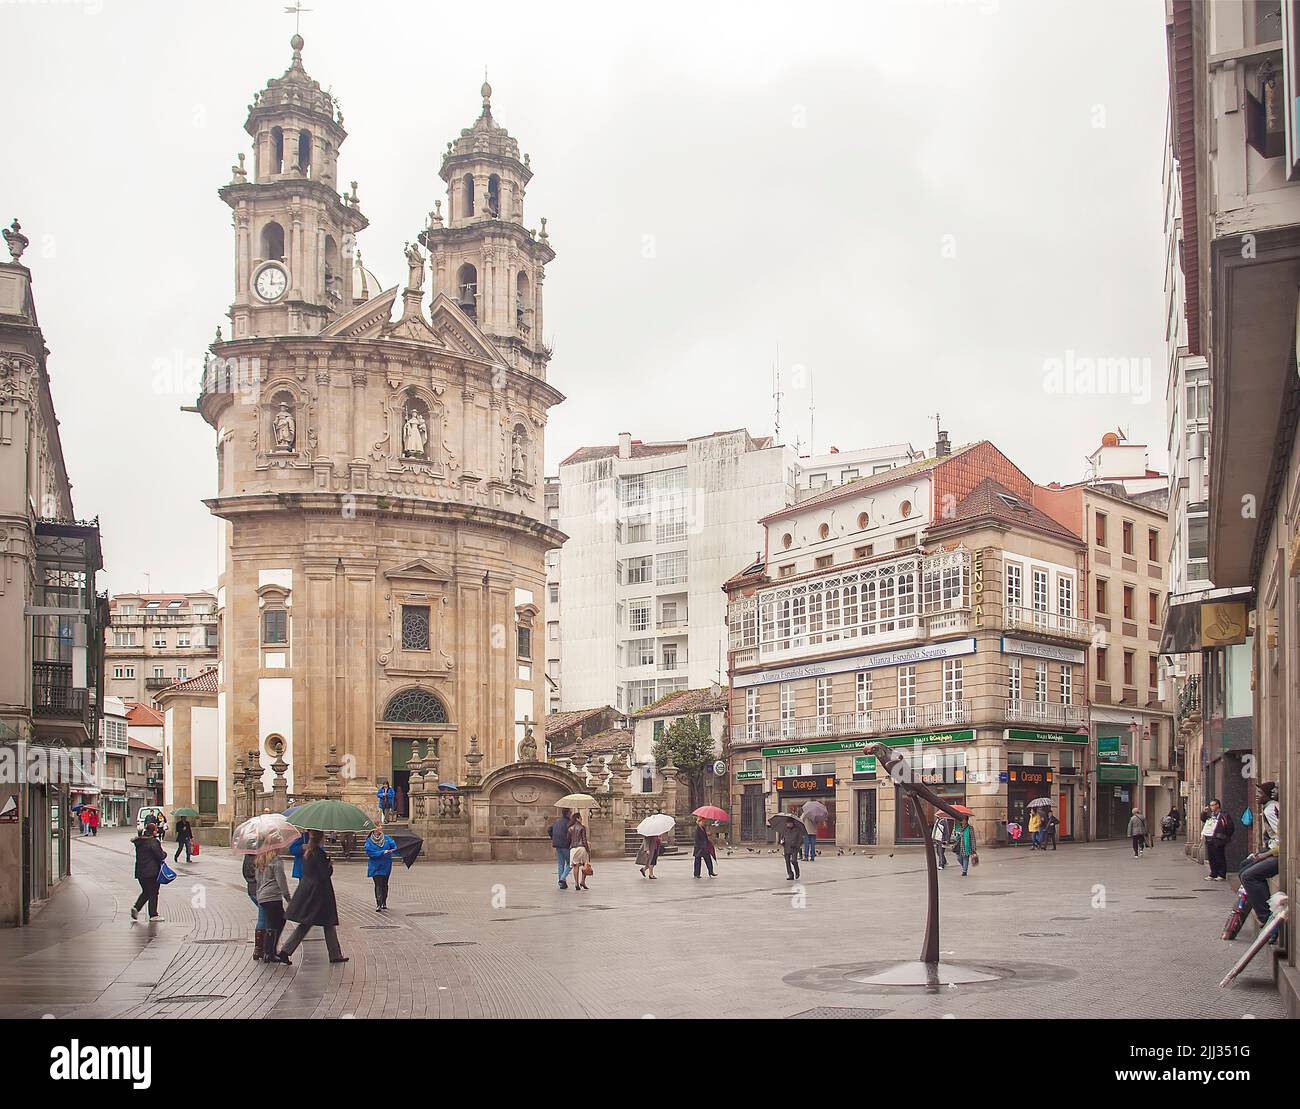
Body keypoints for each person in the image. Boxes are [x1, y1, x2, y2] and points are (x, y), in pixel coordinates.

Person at [272, 829, 348, 965]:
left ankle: (334, 953)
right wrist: (329, 865)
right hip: (319, 893)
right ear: (321, 839)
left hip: (310, 891)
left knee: (318, 923)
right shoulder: (318, 853)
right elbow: (324, 874)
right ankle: (286, 951)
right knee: (321, 922)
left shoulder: (309, 852)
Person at [1239, 781, 1281, 929]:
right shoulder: (1270, 807)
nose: (1257, 796)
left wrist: (1265, 854)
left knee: (1248, 876)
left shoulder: (1270, 809)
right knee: (1245, 867)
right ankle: (1261, 904)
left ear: (1269, 795)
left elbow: (1282, 839)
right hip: (1272, 850)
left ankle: (1266, 918)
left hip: (1278, 855)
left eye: (1260, 794)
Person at [255, 845, 292, 962]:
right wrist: (287, 897)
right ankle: (269, 953)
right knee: (274, 922)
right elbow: (281, 880)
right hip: (272, 897)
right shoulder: (276, 861)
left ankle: (270, 951)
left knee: (277, 920)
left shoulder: (261, 860)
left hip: (263, 896)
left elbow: (258, 880)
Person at [129, 823, 166, 921]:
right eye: (156, 829)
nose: (157, 831)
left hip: (140, 872)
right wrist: (164, 854)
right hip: (152, 872)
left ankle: (136, 908)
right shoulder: (153, 842)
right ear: (153, 831)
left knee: (146, 891)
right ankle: (153, 915)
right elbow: (160, 855)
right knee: (153, 892)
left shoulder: (140, 842)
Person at [364, 822, 398, 912]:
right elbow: (370, 852)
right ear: (373, 829)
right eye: (378, 826)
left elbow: (394, 846)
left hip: (386, 864)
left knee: (384, 884)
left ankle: (384, 902)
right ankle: (378, 903)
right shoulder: (369, 841)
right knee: (378, 884)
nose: (380, 827)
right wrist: (382, 852)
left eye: (380, 826)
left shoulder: (387, 838)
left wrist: (394, 849)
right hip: (375, 865)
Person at [242, 850, 268, 960]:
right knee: (264, 918)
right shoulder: (261, 856)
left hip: (251, 890)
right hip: (261, 891)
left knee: (265, 916)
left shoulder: (247, 856)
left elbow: (245, 873)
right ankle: (261, 949)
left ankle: (261, 948)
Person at [1201, 798, 1234, 881]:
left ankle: (1221, 874)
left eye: (1212, 805)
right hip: (1210, 838)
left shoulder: (1223, 815)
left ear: (1217, 805)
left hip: (1219, 839)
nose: (1211, 807)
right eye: (1210, 805)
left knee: (1219, 856)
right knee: (1211, 857)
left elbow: (1230, 827)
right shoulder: (1211, 815)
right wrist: (1204, 812)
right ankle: (1213, 873)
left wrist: (1225, 836)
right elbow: (1203, 819)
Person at [549, 808, 573, 889]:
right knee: (571, 862)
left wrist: (553, 837)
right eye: (571, 812)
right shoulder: (569, 823)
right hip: (565, 845)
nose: (571, 814)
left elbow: (549, 829)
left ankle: (561, 882)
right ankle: (562, 879)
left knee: (560, 863)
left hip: (557, 844)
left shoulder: (557, 821)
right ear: (568, 813)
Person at [568, 811, 591, 891]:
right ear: (577, 818)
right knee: (585, 864)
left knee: (575, 865)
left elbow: (568, 840)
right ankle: (582, 881)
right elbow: (584, 840)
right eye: (580, 817)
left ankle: (576, 883)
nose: (582, 818)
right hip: (581, 847)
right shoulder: (582, 827)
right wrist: (588, 850)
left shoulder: (570, 828)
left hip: (573, 848)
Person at [779, 816, 804, 881]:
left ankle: (797, 871)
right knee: (787, 862)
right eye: (787, 823)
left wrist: (797, 845)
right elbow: (782, 838)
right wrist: (782, 842)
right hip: (786, 847)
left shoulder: (797, 830)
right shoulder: (784, 830)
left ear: (792, 823)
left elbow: (801, 840)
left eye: (789, 823)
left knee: (793, 861)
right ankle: (790, 874)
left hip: (794, 848)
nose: (788, 824)